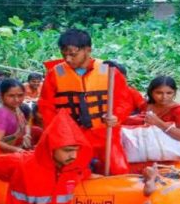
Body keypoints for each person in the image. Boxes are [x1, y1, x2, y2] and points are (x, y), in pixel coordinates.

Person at [38, 28, 133, 175]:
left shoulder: (109, 71)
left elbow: (124, 100)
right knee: (72, 172)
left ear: (88, 50)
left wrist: (116, 116)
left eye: (73, 54)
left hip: (105, 134)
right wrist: (58, 133)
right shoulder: (55, 74)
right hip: (73, 138)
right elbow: (46, 106)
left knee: (119, 170)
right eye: (64, 55)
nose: (68, 59)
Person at [0, 79, 44, 152]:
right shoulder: (1, 114)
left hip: (16, 146)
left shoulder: (15, 108)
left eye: (20, 95)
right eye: (11, 96)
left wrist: (27, 134)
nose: (16, 100)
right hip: (2, 154)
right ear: (1, 95)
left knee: (38, 131)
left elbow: (26, 124)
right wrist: (19, 150)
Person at [136, 76, 180, 142]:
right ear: (151, 92)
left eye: (169, 93)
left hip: (168, 147)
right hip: (144, 143)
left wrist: (159, 123)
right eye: (159, 93)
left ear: (174, 93)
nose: (164, 97)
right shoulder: (145, 105)